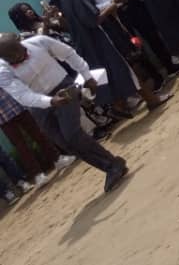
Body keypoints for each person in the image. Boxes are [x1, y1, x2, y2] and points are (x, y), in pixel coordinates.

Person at [0, 33, 129, 193]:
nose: (16, 58)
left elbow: (69, 53)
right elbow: (22, 96)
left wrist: (87, 76)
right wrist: (50, 101)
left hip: (64, 88)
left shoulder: (40, 42)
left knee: (72, 134)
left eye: (17, 52)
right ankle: (111, 165)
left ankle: (112, 165)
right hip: (38, 104)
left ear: (20, 43)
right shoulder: (3, 71)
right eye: (11, 58)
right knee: (66, 144)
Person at [56, 0, 171, 115]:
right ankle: (150, 100)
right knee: (126, 69)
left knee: (118, 72)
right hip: (102, 39)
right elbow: (93, 20)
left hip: (94, 43)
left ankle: (120, 104)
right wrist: (112, 6)